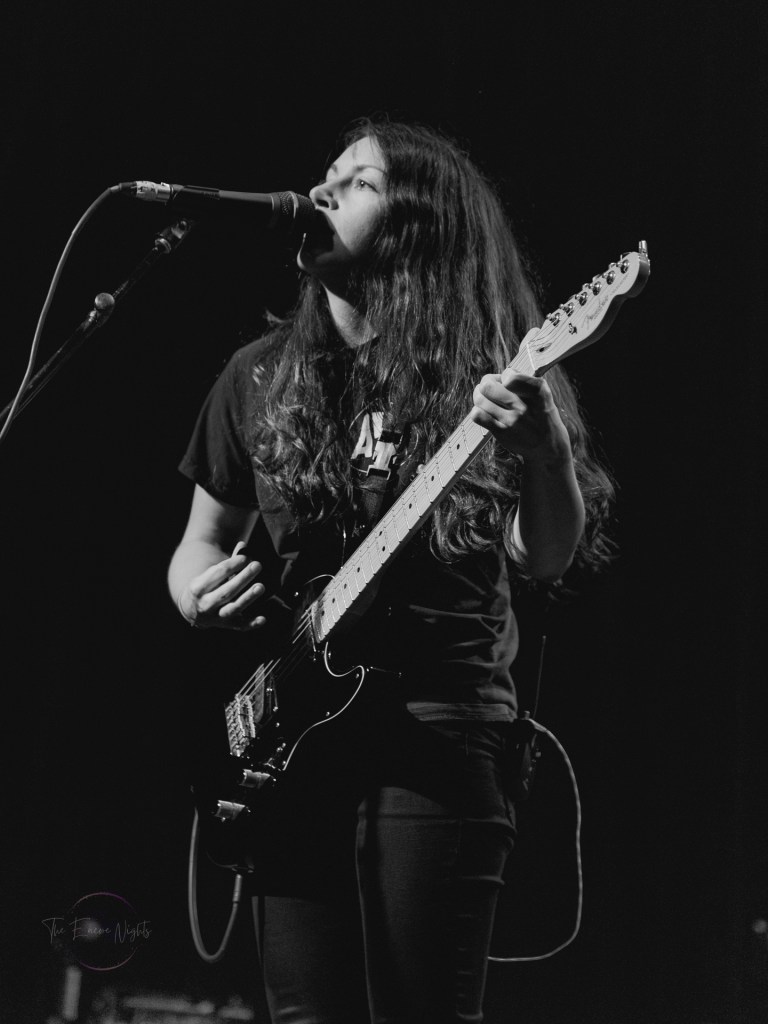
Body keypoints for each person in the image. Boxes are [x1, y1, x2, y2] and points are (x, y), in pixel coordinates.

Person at [168, 118, 614, 1024]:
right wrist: (196, 594)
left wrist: (548, 453)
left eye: (360, 183)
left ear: (418, 227)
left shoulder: (489, 376)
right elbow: (201, 541)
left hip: (437, 728)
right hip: (294, 733)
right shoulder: (258, 375)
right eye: (326, 174)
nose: (323, 191)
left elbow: (544, 555)